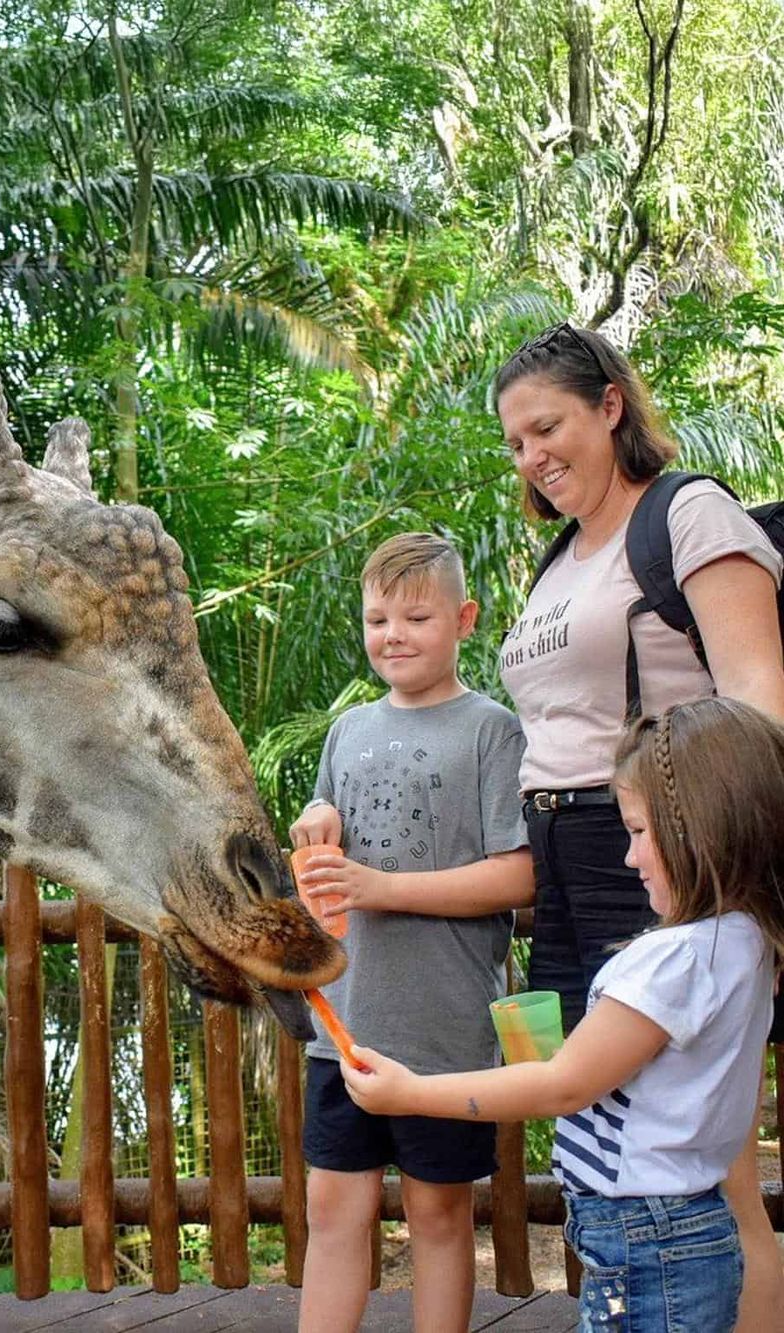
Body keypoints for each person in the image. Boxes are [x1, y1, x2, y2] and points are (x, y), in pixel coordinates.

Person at [493, 321, 784, 1326]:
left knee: (706, 1162)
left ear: (609, 405)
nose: (533, 456)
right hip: (564, 862)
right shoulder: (557, 561)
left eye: (547, 427)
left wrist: (706, 874)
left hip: (665, 854)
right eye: (516, 443)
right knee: (594, 1138)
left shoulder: (687, 514)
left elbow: (757, 703)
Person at [341, 697, 784, 1333]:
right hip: (692, 1225)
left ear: (701, 829)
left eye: (637, 832)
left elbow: (564, 1084)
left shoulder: (673, 962)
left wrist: (410, 1092)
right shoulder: (746, 941)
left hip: (645, 1237)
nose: (629, 858)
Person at [289, 531, 533, 1333]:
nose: (393, 634)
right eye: (377, 618)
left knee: (438, 1215)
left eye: (416, 617)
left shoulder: (491, 729)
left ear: (464, 619)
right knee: (332, 1209)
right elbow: (327, 829)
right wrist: (315, 819)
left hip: (443, 1031)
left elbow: (518, 874)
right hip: (343, 1024)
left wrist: (382, 886)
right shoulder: (347, 730)